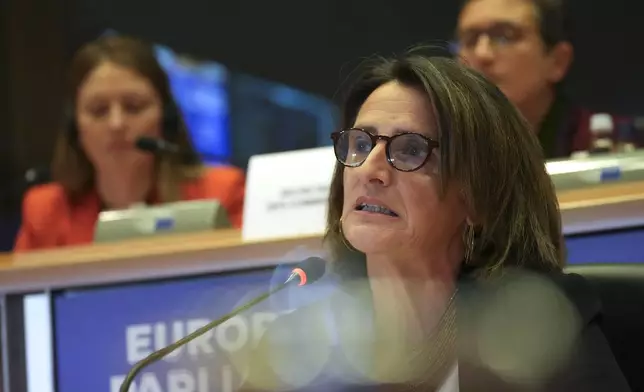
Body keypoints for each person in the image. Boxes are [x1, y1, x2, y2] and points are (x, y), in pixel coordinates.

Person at [234, 52, 631, 391]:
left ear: (478, 198)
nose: (371, 170)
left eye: (410, 151)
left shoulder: (541, 331)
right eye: (360, 143)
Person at [14, 36, 245, 251]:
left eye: (134, 107)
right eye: (99, 110)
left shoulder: (221, 194)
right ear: (75, 127)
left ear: (166, 118)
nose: (116, 124)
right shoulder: (46, 211)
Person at [455, 0, 637, 158]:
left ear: (558, 61)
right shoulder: (443, 150)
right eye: (470, 40)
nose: (482, 54)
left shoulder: (618, 143)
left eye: (504, 37)